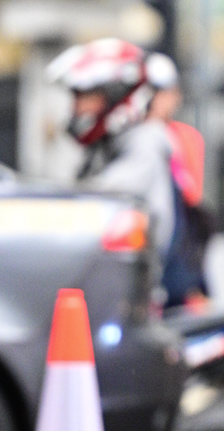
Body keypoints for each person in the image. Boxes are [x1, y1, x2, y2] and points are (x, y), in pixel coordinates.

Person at [45, 38, 176, 266]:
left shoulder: (145, 145)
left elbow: (94, 205)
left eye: (86, 96)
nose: (76, 108)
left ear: (118, 95)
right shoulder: (108, 148)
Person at [145, 52, 213, 306]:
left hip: (179, 247)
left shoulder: (184, 137)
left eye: (164, 92)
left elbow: (191, 195)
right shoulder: (133, 139)